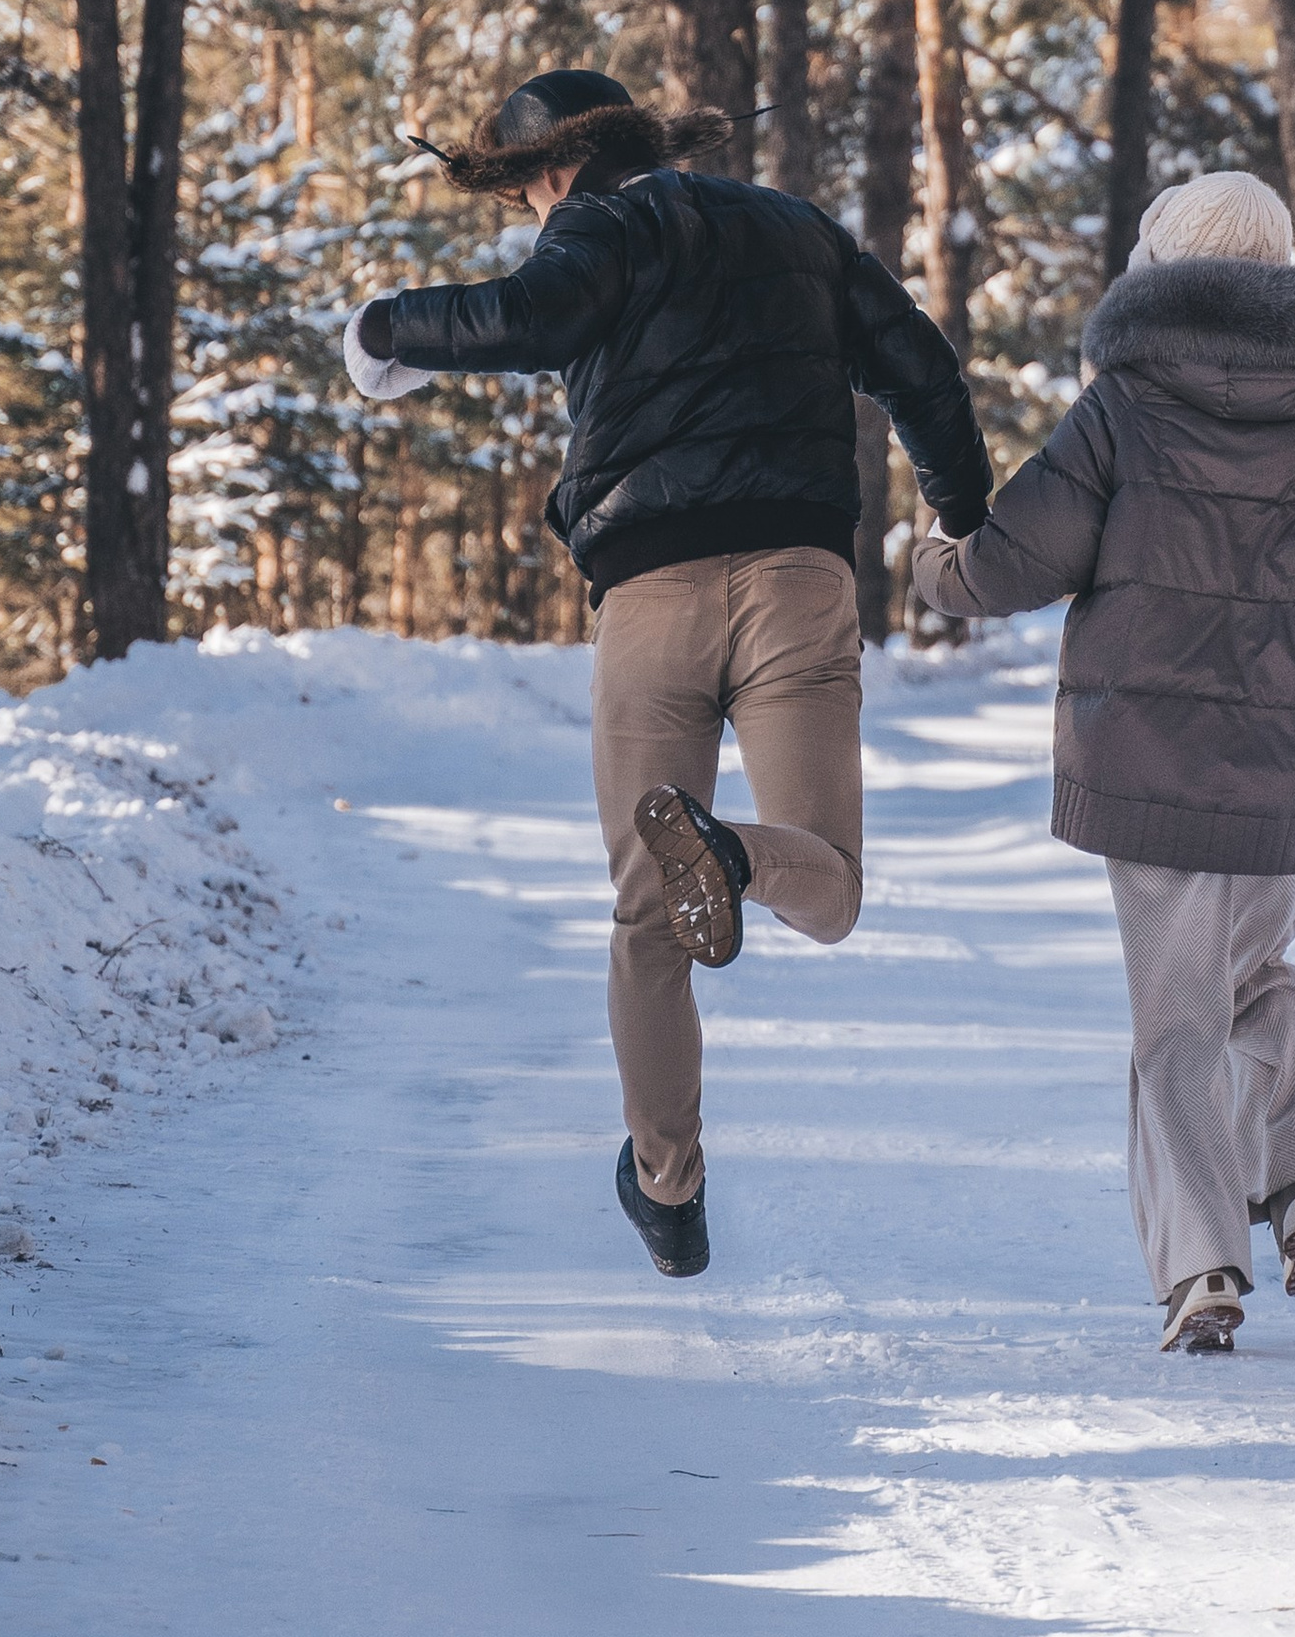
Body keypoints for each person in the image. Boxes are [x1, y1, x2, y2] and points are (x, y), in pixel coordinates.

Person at [344, 68, 991, 1281]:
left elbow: (527, 320)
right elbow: (921, 368)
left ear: (546, 172)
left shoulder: (594, 226)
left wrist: (384, 330)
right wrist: (961, 519)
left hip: (650, 598)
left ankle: (670, 1188)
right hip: (800, 585)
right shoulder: (796, 229)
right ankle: (737, 854)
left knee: (647, 912)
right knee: (833, 888)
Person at [910, 168, 1295, 1358]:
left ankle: (1199, 1270)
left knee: (1178, 1023)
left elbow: (1015, 560)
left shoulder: (1125, 404)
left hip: (1147, 764)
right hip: (1289, 767)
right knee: (1254, 977)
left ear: (1163, 267)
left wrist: (932, 565)